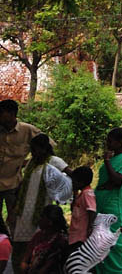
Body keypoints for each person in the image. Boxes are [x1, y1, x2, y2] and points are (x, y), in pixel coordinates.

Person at [8, 136, 69, 271]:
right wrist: (13, 209)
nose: (34, 153)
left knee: (37, 249)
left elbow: (72, 175)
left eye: (36, 150)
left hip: (40, 214)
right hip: (23, 212)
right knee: (19, 248)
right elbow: (23, 184)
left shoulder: (54, 162)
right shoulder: (31, 163)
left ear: (44, 149)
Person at [0, 101, 46, 248]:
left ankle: (14, 246)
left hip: (13, 183)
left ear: (12, 114)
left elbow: (46, 146)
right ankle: (5, 241)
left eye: (2, 112)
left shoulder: (27, 130)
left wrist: (30, 163)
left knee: (15, 218)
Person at [92, 129, 122, 274]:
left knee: (114, 239)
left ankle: (114, 270)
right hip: (101, 204)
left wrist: (107, 161)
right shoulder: (114, 158)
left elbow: (117, 180)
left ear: (120, 142)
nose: (107, 144)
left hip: (112, 205)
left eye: (110, 141)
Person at [22, 205, 67, 274]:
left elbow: (46, 268)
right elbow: (26, 258)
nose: (39, 219)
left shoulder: (60, 241)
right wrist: (24, 266)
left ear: (50, 222)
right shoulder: (38, 236)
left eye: (42, 217)